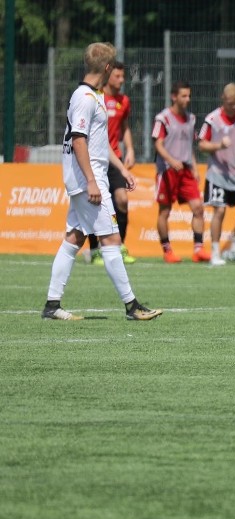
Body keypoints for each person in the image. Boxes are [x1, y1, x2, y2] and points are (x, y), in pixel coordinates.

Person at [42, 42, 161, 322]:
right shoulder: (85, 97)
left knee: (74, 238)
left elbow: (99, 143)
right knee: (111, 239)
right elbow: (79, 140)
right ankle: (132, 306)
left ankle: (51, 305)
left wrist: (122, 168)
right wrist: (93, 182)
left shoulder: (93, 96)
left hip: (88, 179)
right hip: (89, 182)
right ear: (107, 68)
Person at [198, 83, 235, 266]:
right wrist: (218, 146)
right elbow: (201, 144)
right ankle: (216, 253)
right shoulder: (212, 119)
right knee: (220, 210)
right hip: (218, 174)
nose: (234, 107)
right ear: (223, 99)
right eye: (230, 103)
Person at [152, 81, 210, 264]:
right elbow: (158, 144)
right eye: (184, 96)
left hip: (185, 171)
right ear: (174, 96)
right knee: (165, 211)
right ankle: (167, 250)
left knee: (198, 208)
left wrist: (194, 166)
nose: (188, 99)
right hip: (167, 171)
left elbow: (189, 146)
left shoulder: (191, 119)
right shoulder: (163, 118)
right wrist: (171, 160)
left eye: (189, 96)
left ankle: (198, 250)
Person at [87, 60, 136, 266]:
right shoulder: (95, 97)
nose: (121, 80)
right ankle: (94, 250)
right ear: (108, 76)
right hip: (96, 159)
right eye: (118, 76)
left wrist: (131, 148)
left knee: (122, 200)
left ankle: (119, 246)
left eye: (123, 76)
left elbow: (124, 126)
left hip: (114, 157)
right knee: (92, 203)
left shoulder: (123, 100)